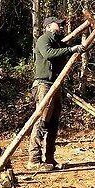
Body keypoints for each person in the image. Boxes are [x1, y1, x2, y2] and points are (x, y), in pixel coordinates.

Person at [26, 16, 84, 171]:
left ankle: (50, 158)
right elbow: (49, 54)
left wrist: (75, 48)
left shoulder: (58, 42)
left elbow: (62, 51)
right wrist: (71, 49)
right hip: (44, 84)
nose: (60, 26)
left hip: (55, 85)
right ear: (48, 26)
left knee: (53, 123)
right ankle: (34, 160)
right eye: (57, 24)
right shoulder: (43, 39)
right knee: (41, 121)